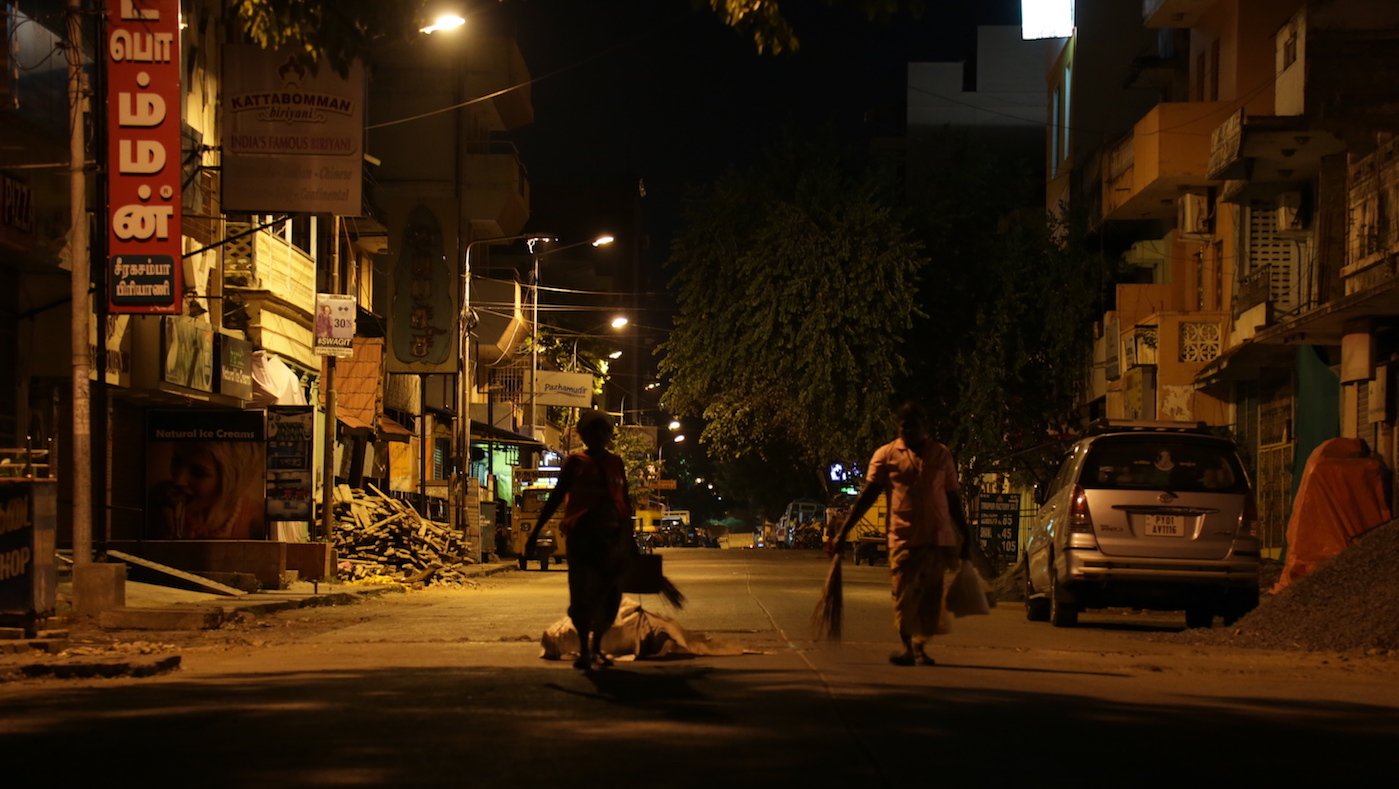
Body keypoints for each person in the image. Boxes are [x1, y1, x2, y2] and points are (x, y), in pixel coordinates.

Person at [826, 401, 973, 666]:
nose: (908, 431)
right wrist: (844, 531)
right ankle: (907, 647)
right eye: (904, 427)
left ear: (923, 428)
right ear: (898, 428)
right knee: (903, 594)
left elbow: (952, 497)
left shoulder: (941, 455)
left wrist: (965, 534)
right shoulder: (886, 455)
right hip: (902, 537)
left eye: (913, 427)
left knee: (930, 597)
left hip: (937, 538)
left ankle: (920, 646)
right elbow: (867, 496)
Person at [527, 411, 635, 670]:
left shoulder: (616, 463)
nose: (598, 437)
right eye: (592, 432)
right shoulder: (575, 462)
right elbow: (556, 497)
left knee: (610, 596)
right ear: (584, 435)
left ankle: (597, 645)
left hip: (611, 539)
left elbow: (625, 501)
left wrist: (629, 539)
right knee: (582, 596)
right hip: (582, 538)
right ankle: (586, 651)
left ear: (608, 436)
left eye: (602, 432)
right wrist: (535, 533)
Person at [148, 441, 266, 539]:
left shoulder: (255, 520)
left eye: (198, 473)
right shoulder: (159, 499)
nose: (178, 480)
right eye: (176, 461)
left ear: (230, 481)